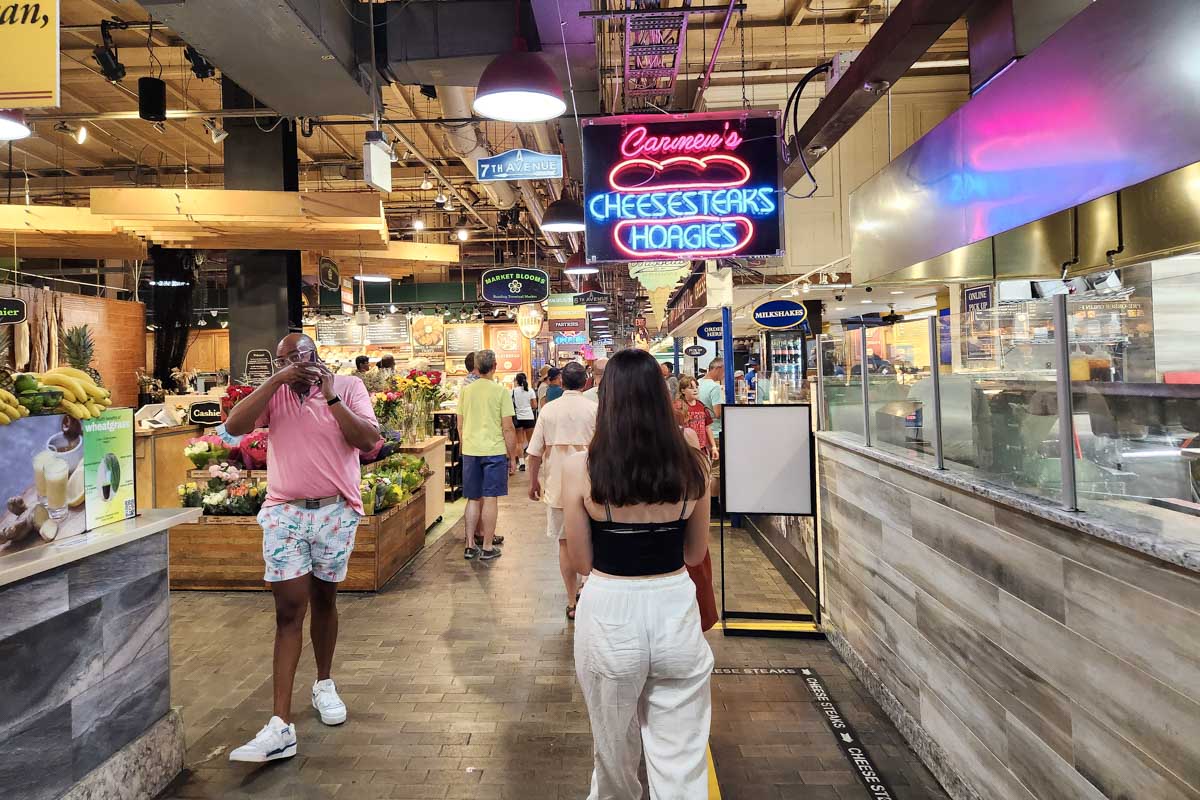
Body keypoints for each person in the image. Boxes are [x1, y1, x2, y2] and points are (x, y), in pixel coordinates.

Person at [561, 348, 713, 799]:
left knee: (613, 753)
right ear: (661, 396)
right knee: (681, 758)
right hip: (674, 606)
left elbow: (582, 562)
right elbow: (695, 553)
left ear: (606, 398)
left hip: (610, 609)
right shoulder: (692, 463)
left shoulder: (580, 468)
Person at [223, 334, 380, 763]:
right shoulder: (275, 393)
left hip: (335, 511)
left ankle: (324, 683)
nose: (292, 363)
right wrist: (274, 381)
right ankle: (280, 723)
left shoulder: (348, 387)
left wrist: (331, 396)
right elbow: (234, 427)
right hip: (284, 512)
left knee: (325, 599)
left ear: (316, 354)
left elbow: (367, 440)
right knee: (289, 609)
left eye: (297, 356)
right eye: (283, 359)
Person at [526, 362, 596, 620]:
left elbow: (534, 453)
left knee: (565, 544)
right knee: (594, 539)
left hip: (558, 486)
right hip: (591, 484)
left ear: (562, 382)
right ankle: (588, 590)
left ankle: (571, 600)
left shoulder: (548, 410)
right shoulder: (595, 409)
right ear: (585, 382)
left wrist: (533, 482)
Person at [458, 349, 518, 561]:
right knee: (491, 498)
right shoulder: (501, 392)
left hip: (471, 450)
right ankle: (487, 547)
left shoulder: (466, 391)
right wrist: (513, 456)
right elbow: (508, 427)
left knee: (473, 498)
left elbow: (460, 424)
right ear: (494, 367)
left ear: (476, 367)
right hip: (494, 451)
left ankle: (469, 545)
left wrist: (465, 445)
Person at [675, 375, 718, 460]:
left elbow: (707, 428)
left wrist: (714, 447)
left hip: (702, 449)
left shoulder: (702, 406)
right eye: (691, 388)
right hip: (685, 450)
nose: (695, 390)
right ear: (683, 390)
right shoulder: (678, 407)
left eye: (696, 387)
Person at [511, 371, 538, 470]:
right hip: (529, 417)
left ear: (516, 381)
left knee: (519, 442)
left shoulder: (513, 391)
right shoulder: (530, 390)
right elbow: (534, 405)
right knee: (531, 441)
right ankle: (532, 461)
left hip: (518, 418)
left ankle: (522, 464)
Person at [697, 356, 725, 445]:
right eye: (724, 371)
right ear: (718, 369)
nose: (724, 374)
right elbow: (717, 413)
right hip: (715, 433)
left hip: (702, 431)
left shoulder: (698, 382)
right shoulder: (715, 387)